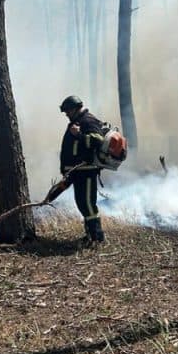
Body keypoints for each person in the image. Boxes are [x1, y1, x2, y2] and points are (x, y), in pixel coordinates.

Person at [59, 95, 106, 244]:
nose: (66, 114)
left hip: (86, 171)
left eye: (68, 111)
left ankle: (97, 237)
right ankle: (90, 236)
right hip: (77, 171)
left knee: (87, 204)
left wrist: (78, 135)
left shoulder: (88, 120)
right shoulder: (76, 122)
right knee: (81, 203)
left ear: (75, 109)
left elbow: (98, 140)